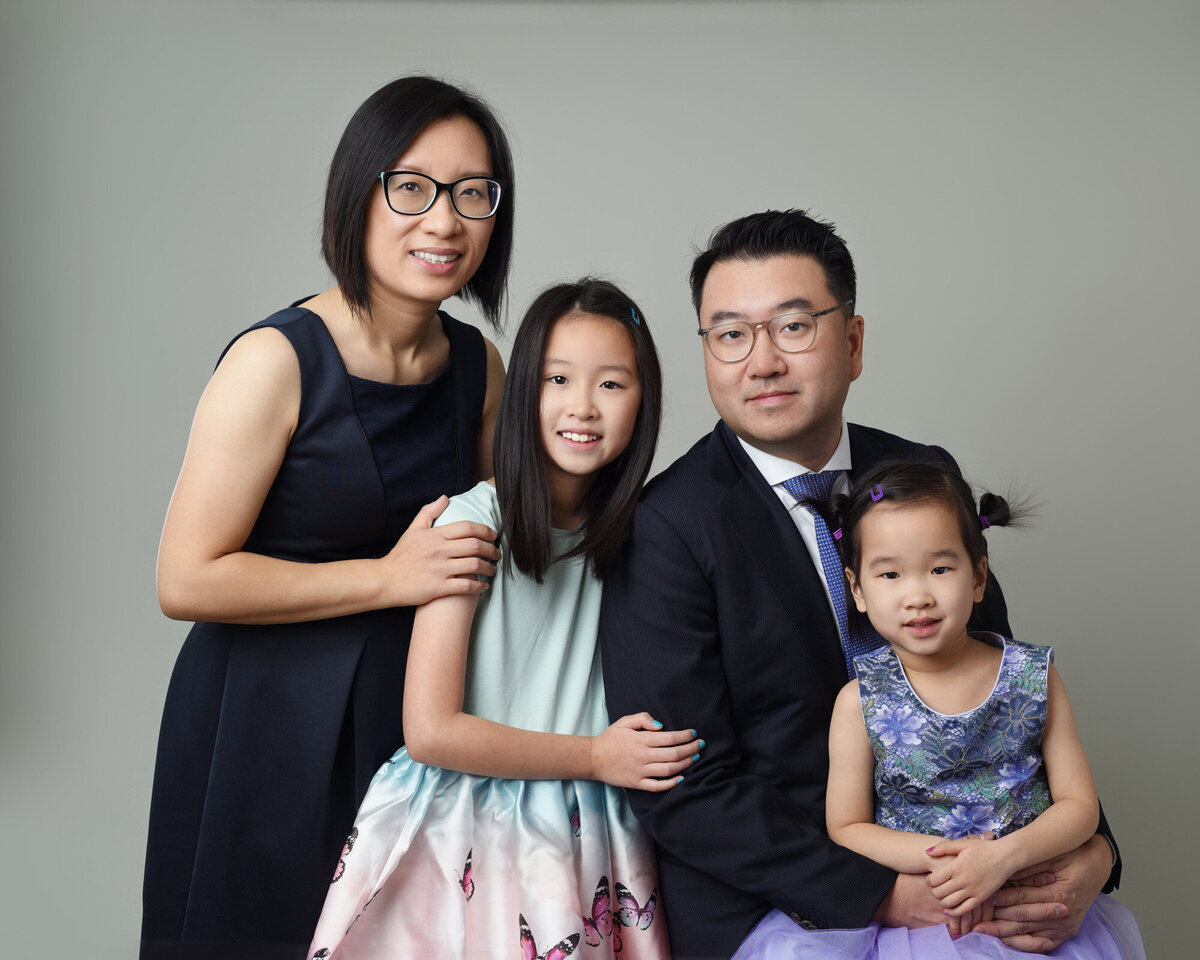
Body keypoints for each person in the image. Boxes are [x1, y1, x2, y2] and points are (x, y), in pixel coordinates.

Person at [599, 209, 1121, 960]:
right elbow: (687, 786)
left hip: (977, 876)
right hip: (781, 907)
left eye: (794, 326)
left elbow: (1002, 689)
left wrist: (1092, 853)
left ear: (852, 342)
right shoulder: (665, 526)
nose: (762, 361)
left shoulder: (921, 474)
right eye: (730, 334)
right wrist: (879, 893)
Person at [141, 76, 516, 960]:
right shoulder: (275, 359)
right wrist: (389, 578)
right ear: (358, 194)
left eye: (474, 193)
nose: (445, 221)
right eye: (412, 187)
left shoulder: (481, 366)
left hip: (415, 720)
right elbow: (184, 577)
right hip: (264, 722)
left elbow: (514, 545)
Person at [307, 278, 699, 959]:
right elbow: (430, 731)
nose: (583, 406)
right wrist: (597, 756)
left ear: (644, 401)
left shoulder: (648, 535)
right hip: (468, 821)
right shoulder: (473, 522)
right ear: (524, 390)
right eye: (557, 378)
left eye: (612, 384)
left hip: (592, 827)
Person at [735, 460, 1144, 958]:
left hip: (1025, 896)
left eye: (940, 568)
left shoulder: (1033, 676)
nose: (917, 596)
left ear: (978, 577)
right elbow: (847, 827)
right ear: (858, 590)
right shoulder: (860, 698)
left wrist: (1003, 856)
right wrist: (956, 863)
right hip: (926, 912)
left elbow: (1080, 807)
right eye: (889, 574)